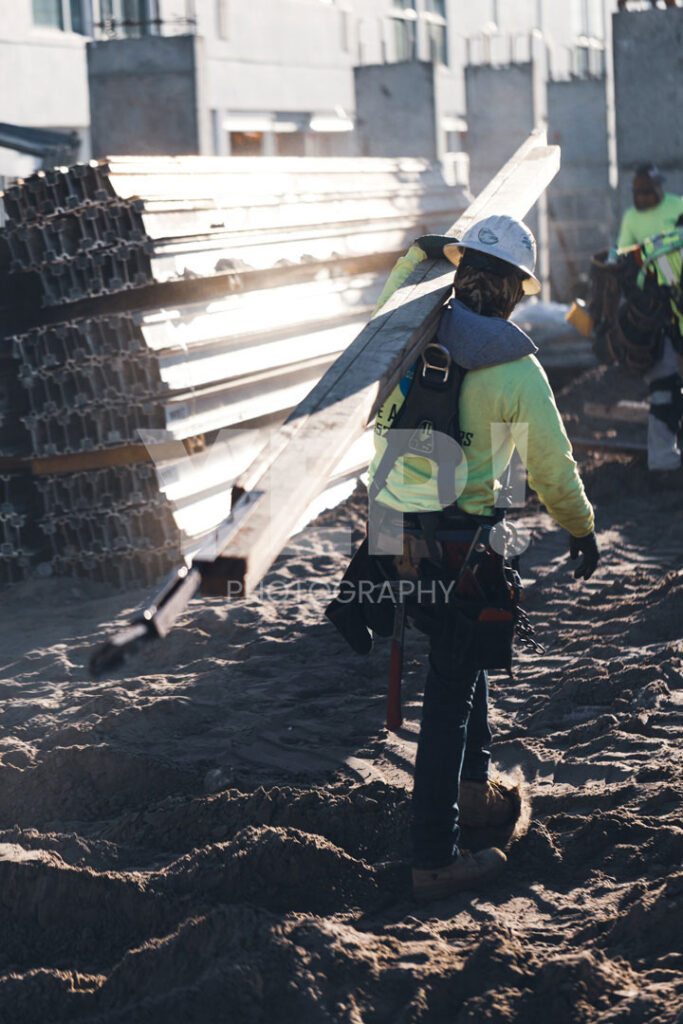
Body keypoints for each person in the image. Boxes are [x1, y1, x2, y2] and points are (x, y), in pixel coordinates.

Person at [327, 215, 599, 902]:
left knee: (465, 659)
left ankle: (474, 796)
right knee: (448, 694)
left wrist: (418, 252)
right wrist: (579, 528)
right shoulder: (515, 369)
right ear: (513, 291)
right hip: (459, 549)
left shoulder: (405, 335)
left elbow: (394, 292)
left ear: (456, 271)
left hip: (391, 538)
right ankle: (434, 855)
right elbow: (550, 468)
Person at [617, 164, 683, 471]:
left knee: (666, 388)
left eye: (647, 191)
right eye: (637, 192)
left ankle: (664, 459)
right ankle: (664, 460)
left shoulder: (667, 236)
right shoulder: (660, 252)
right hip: (661, 321)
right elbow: (625, 261)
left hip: (668, 317)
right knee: (665, 387)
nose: (642, 197)